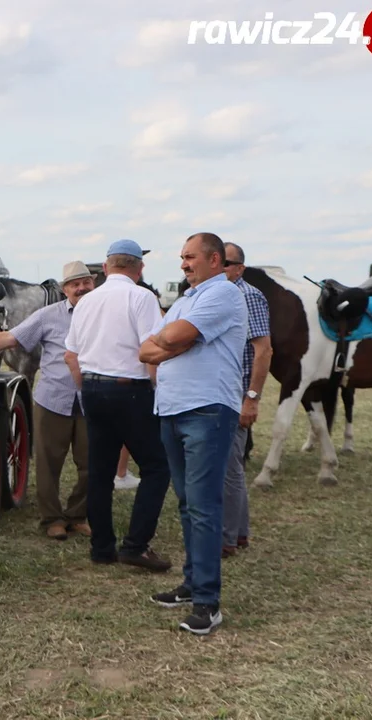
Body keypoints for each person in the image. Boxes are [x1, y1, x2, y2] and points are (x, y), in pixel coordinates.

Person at [140, 232, 248, 636]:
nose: (183, 264)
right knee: (188, 504)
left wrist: (169, 342)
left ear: (215, 259)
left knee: (202, 506)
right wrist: (172, 344)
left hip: (206, 410)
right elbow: (145, 350)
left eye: (190, 257)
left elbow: (166, 339)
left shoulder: (223, 294)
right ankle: (192, 583)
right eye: (182, 258)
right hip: (172, 409)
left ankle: (207, 602)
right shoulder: (185, 300)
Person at [0, 260, 95, 540]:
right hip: (55, 399)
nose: (81, 288)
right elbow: (10, 338)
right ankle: (52, 519)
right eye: (75, 284)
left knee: (91, 463)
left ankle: (77, 515)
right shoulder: (48, 316)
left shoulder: (105, 315)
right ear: (65, 290)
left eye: (85, 282)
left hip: (93, 400)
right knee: (49, 464)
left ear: (94, 283)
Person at [63, 239, 172, 573]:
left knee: (100, 471)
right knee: (156, 467)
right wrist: (159, 389)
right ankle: (136, 545)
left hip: (94, 388)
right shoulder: (142, 297)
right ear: (139, 269)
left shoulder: (86, 301)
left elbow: (72, 353)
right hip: (131, 389)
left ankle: (102, 548)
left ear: (106, 268)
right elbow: (149, 351)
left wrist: (88, 388)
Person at [219, 242, 271, 557]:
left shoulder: (247, 296)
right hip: (225, 394)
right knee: (230, 466)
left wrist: (251, 398)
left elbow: (263, 349)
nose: (220, 268)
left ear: (239, 268)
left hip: (236, 396)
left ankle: (227, 538)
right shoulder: (222, 295)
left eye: (226, 263)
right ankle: (237, 534)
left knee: (229, 467)